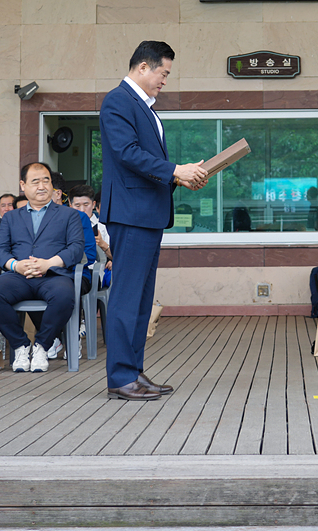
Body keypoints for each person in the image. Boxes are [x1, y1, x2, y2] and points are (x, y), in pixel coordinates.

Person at [100, 40, 207, 400]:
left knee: (142, 301)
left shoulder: (144, 107)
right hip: (131, 214)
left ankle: (134, 371)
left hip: (145, 214)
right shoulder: (119, 100)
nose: (165, 81)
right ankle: (120, 377)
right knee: (126, 299)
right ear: (142, 67)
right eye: (163, 73)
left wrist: (178, 177)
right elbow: (127, 153)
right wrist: (176, 171)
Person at [0, 163, 88, 373]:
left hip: (53, 275)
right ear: (23, 185)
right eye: (35, 181)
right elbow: (0, 250)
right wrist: (16, 265)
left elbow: (76, 248)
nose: (42, 186)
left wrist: (49, 263)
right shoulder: (11, 217)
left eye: (46, 180)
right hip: (19, 276)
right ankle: (21, 345)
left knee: (65, 296)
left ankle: (42, 346)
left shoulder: (69, 215)